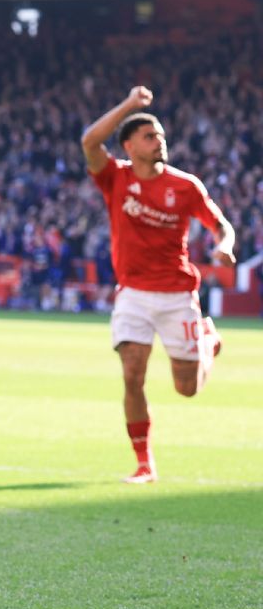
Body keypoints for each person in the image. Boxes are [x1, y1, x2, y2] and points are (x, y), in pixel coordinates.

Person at [81, 86, 235, 484]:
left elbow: (220, 225)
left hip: (177, 295)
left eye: (162, 136)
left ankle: (207, 342)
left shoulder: (185, 186)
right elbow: (90, 140)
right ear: (130, 146)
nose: (159, 142)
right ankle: (144, 462)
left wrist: (225, 246)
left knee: (187, 389)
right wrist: (131, 105)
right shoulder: (115, 177)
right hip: (132, 293)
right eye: (150, 137)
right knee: (132, 373)